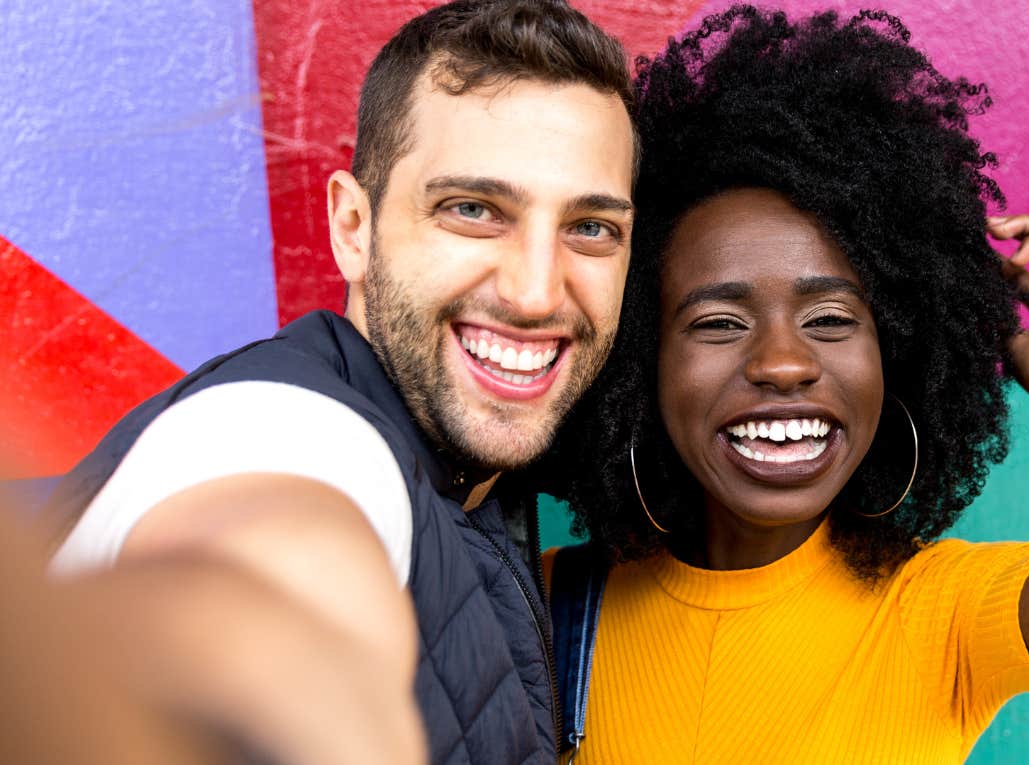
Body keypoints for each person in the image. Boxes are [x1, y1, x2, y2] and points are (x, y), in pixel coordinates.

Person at [541, 7, 1029, 763]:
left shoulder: (939, 612)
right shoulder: (548, 608)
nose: (784, 363)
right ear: (635, 358)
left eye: (830, 319)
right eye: (719, 323)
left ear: (895, 354)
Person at [41, 1, 636, 762]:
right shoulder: (295, 432)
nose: (536, 292)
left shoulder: (475, 475)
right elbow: (267, 545)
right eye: (473, 209)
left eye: (590, 228)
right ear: (353, 227)